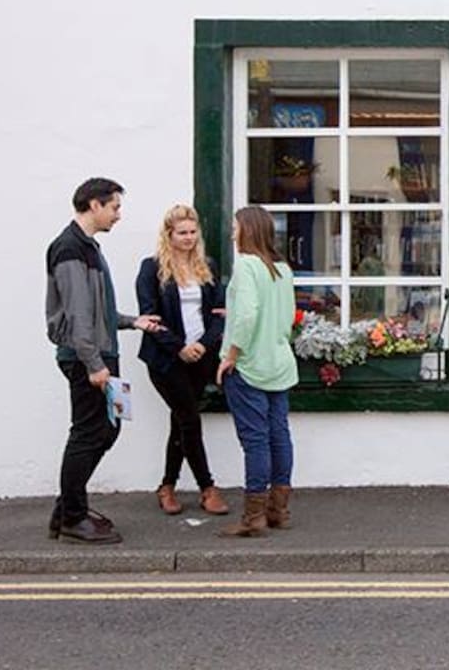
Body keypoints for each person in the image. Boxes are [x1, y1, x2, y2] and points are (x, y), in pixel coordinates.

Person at [45, 178, 163, 544]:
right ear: (94, 205)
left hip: (97, 352)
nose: (118, 215)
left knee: (106, 429)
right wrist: (95, 365)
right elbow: (79, 317)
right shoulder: (70, 249)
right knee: (87, 433)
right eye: (114, 207)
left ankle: (68, 508)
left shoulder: (88, 247)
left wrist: (132, 322)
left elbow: (96, 310)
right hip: (87, 357)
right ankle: (72, 517)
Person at [135, 204, 230, 517]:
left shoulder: (208, 266)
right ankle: (208, 488)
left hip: (201, 358)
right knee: (189, 418)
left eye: (193, 232)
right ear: (169, 235)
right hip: (165, 360)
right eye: (182, 233)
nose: (189, 238)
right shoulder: (152, 269)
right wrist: (179, 347)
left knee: (181, 422)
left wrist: (203, 345)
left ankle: (167, 486)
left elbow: (218, 314)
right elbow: (150, 318)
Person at [216, 205, 298, 538]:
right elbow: (286, 315)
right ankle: (278, 511)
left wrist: (231, 354)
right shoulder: (282, 268)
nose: (232, 233)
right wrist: (232, 311)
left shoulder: (246, 266)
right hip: (279, 363)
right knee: (279, 436)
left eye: (235, 227)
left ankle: (253, 518)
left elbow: (248, 314)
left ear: (247, 230)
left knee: (255, 441)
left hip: (249, 366)